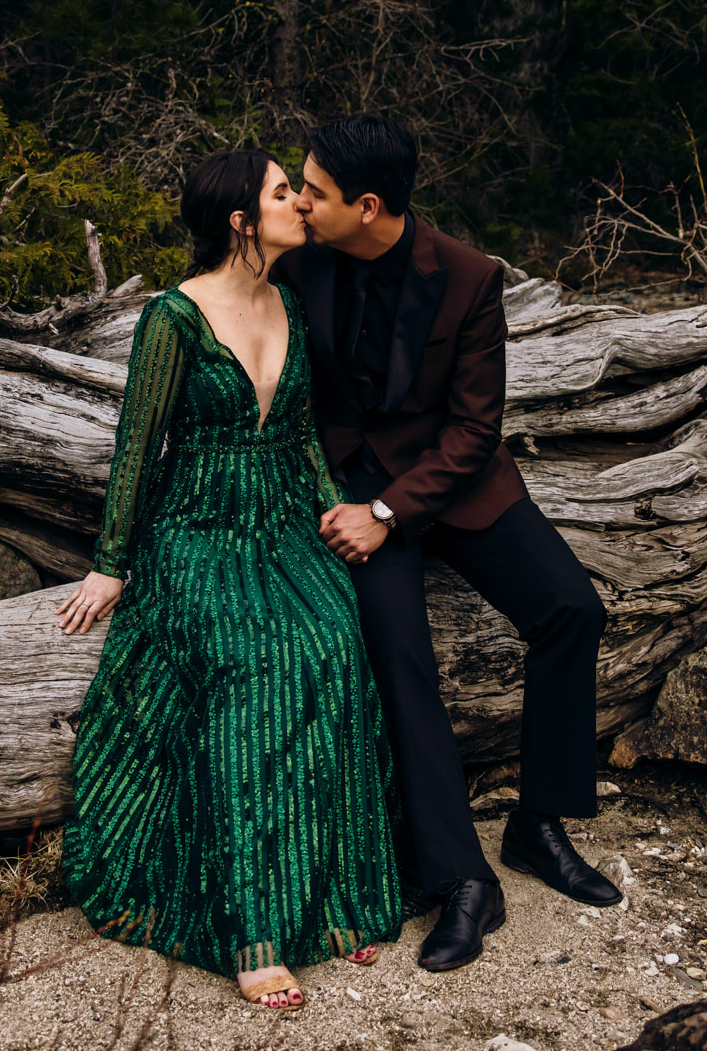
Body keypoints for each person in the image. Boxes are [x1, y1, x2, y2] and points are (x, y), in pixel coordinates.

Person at [56, 149, 404, 1010]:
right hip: (196, 530)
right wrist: (112, 564)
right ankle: (253, 931)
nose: (299, 203)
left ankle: (331, 902)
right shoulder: (172, 318)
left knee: (330, 640)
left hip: (281, 521)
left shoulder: (291, 299)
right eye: (282, 193)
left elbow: (303, 438)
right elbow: (139, 446)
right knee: (251, 664)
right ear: (241, 221)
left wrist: (335, 513)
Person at [273, 114, 620, 974]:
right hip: (347, 485)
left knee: (571, 609)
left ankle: (538, 825)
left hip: (448, 484)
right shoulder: (300, 258)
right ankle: (464, 881)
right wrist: (340, 500)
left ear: (369, 204)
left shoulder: (468, 277)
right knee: (402, 656)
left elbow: (474, 432)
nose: (302, 202)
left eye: (315, 192)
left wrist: (389, 512)